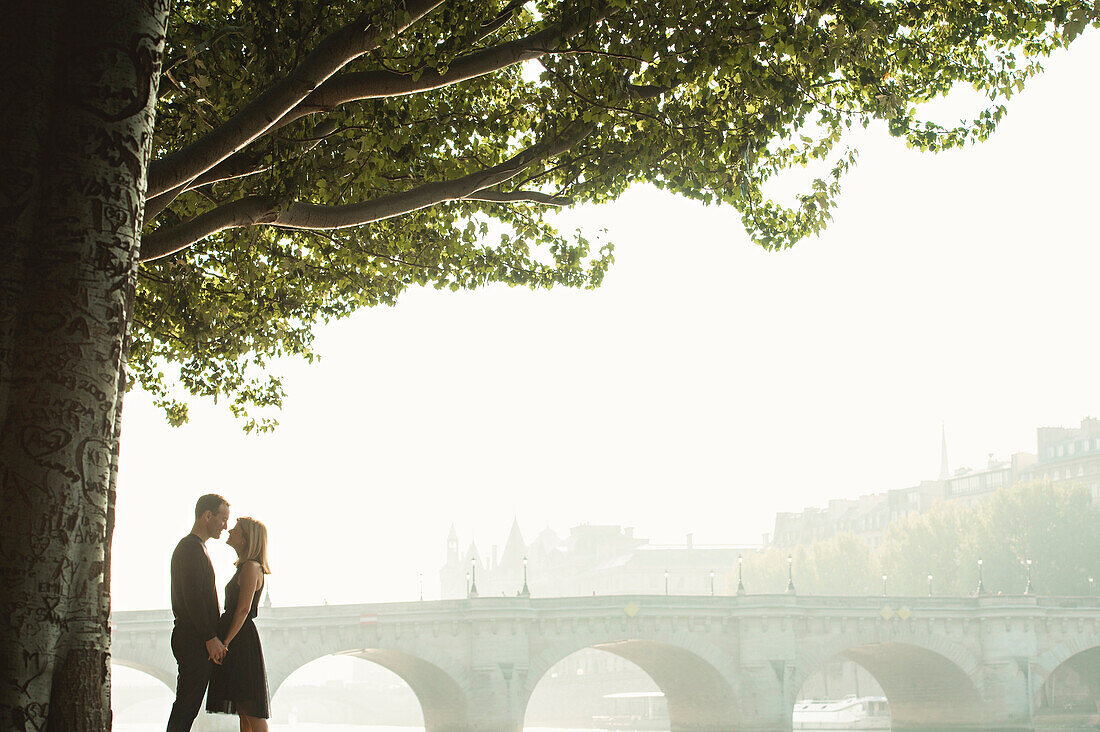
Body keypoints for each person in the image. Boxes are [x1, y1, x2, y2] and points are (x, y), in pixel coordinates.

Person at [167, 494, 230, 731]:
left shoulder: (194, 548)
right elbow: (193, 598)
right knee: (186, 706)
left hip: (193, 637)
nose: (225, 525)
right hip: (194, 639)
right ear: (207, 516)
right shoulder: (191, 549)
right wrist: (210, 638)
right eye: (222, 519)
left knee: (187, 706)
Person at [206, 516, 272, 731]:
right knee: (244, 710)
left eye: (235, 529)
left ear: (245, 538)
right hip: (237, 638)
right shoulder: (245, 567)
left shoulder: (251, 567)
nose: (229, 531)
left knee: (251, 709)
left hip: (240, 641)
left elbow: (243, 610)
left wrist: (224, 643)